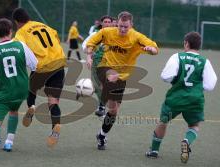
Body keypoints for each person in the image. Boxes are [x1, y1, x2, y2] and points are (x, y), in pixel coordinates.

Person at [86, 11, 158, 150]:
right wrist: (89, 56)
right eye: (120, 26)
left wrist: (150, 49)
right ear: (117, 23)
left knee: (113, 110)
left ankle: (101, 135)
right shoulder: (107, 32)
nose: (122, 29)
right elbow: (91, 43)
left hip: (121, 77)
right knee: (110, 76)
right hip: (104, 68)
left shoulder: (137, 37)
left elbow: (155, 49)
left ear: (131, 25)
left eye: (125, 27)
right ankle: (100, 90)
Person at [145, 32, 217, 163]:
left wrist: (178, 79)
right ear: (199, 46)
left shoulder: (177, 56)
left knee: (163, 122)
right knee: (194, 125)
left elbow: (166, 76)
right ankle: (186, 141)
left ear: (187, 43)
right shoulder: (205, 62)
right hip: (195, 99)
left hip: (175, 97)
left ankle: (154, 151)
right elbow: (210, 85)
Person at [0, 18, 37, 160]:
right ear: (11, 31)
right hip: (22, 90)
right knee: (14, 111)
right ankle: (9, 142)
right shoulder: (20, 46)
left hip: (4, 93)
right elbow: (34, 64)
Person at [12, 8, 66, 147]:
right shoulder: (44, 25)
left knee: (31, 90)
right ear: (28, 17)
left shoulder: (21, 32)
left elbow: (17, 48)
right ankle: (56, 128)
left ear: (17, 22)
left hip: (42, 66)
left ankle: (31, 107)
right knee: (53, 102)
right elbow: (56, 37)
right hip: (59, 63)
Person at [82, 15, 113, 117]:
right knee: (96, 85)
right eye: (105, 22)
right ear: (101, 23)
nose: (107, 24)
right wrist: (89, 56)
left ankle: (102, 107)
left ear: (112, 23)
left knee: (105, 84)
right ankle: (103, 103)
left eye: (109, 22)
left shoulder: (116, 35)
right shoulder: (95, 34)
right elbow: (85, 45)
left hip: (110, 63)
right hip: (96, 62)